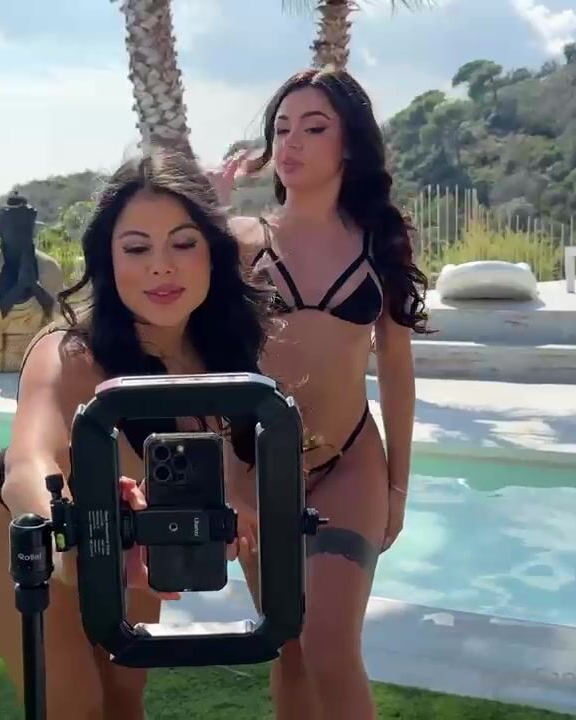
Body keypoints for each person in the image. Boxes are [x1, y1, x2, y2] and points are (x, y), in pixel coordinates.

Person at [0, 145, 272, 720]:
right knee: (75, 706)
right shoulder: (70, 352)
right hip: (25, 524)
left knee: (125, 697)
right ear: (107, 257)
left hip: (135, 535)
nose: (161, 267)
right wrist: (69, 540)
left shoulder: (228, 356)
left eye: (184, 243)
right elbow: (31, 463)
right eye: (137, 248)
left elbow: (245, 463)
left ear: (212, 251)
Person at [211, 66, 430, 720]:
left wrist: (397, 486)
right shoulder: (241, 241)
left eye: (313, 127)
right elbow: (201, 349)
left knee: (329, 646)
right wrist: (210, 203)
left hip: (351, 463)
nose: (291, 143)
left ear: (349, 144)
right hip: (256, 469)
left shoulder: (380, 242)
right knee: (290, 652)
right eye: (281, 128)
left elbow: (396, 369)